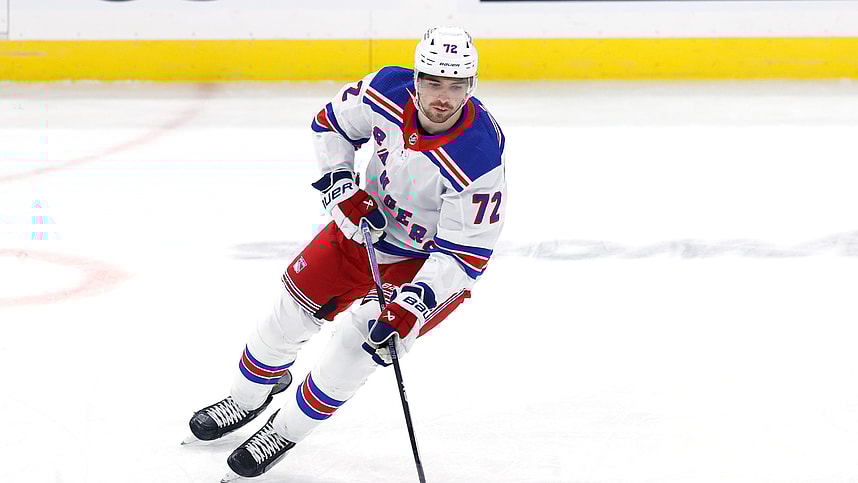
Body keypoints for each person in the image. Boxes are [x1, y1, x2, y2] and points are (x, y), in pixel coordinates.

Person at [188, 25, 507, 479]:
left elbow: (466, 253)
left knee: (355, 346)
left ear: (471, 86)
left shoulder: (477, 155)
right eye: (434, 82)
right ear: (416, 78)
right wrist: (341, 185)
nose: (442, 96)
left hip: (425, 263)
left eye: (456, 85)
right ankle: (246, 398)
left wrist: (414, 304)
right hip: (361, 228)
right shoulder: (385, 90)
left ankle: (285, 430)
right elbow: (330, 124)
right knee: (286, 317)